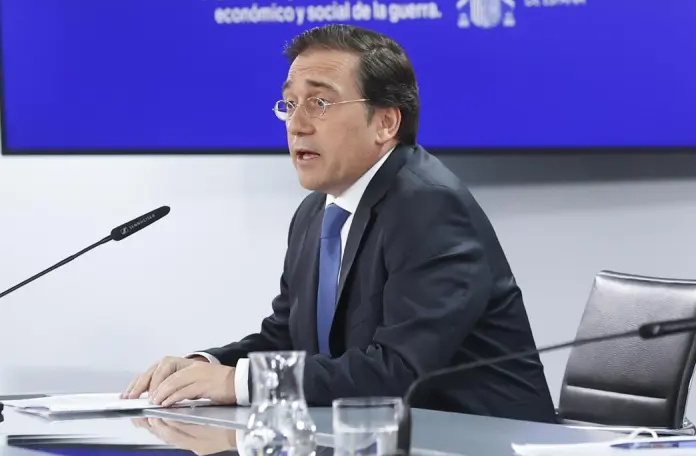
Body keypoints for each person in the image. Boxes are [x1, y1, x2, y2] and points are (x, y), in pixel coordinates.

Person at [123, 25, 557, 423]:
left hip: (484, 440)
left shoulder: (429, 206)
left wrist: (240, 384)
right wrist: (207, 366)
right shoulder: (315, 213)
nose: (297, 124)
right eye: (290, 104)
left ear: (385, 122)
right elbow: (288, 340)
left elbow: (396, 372)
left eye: (320, 103)